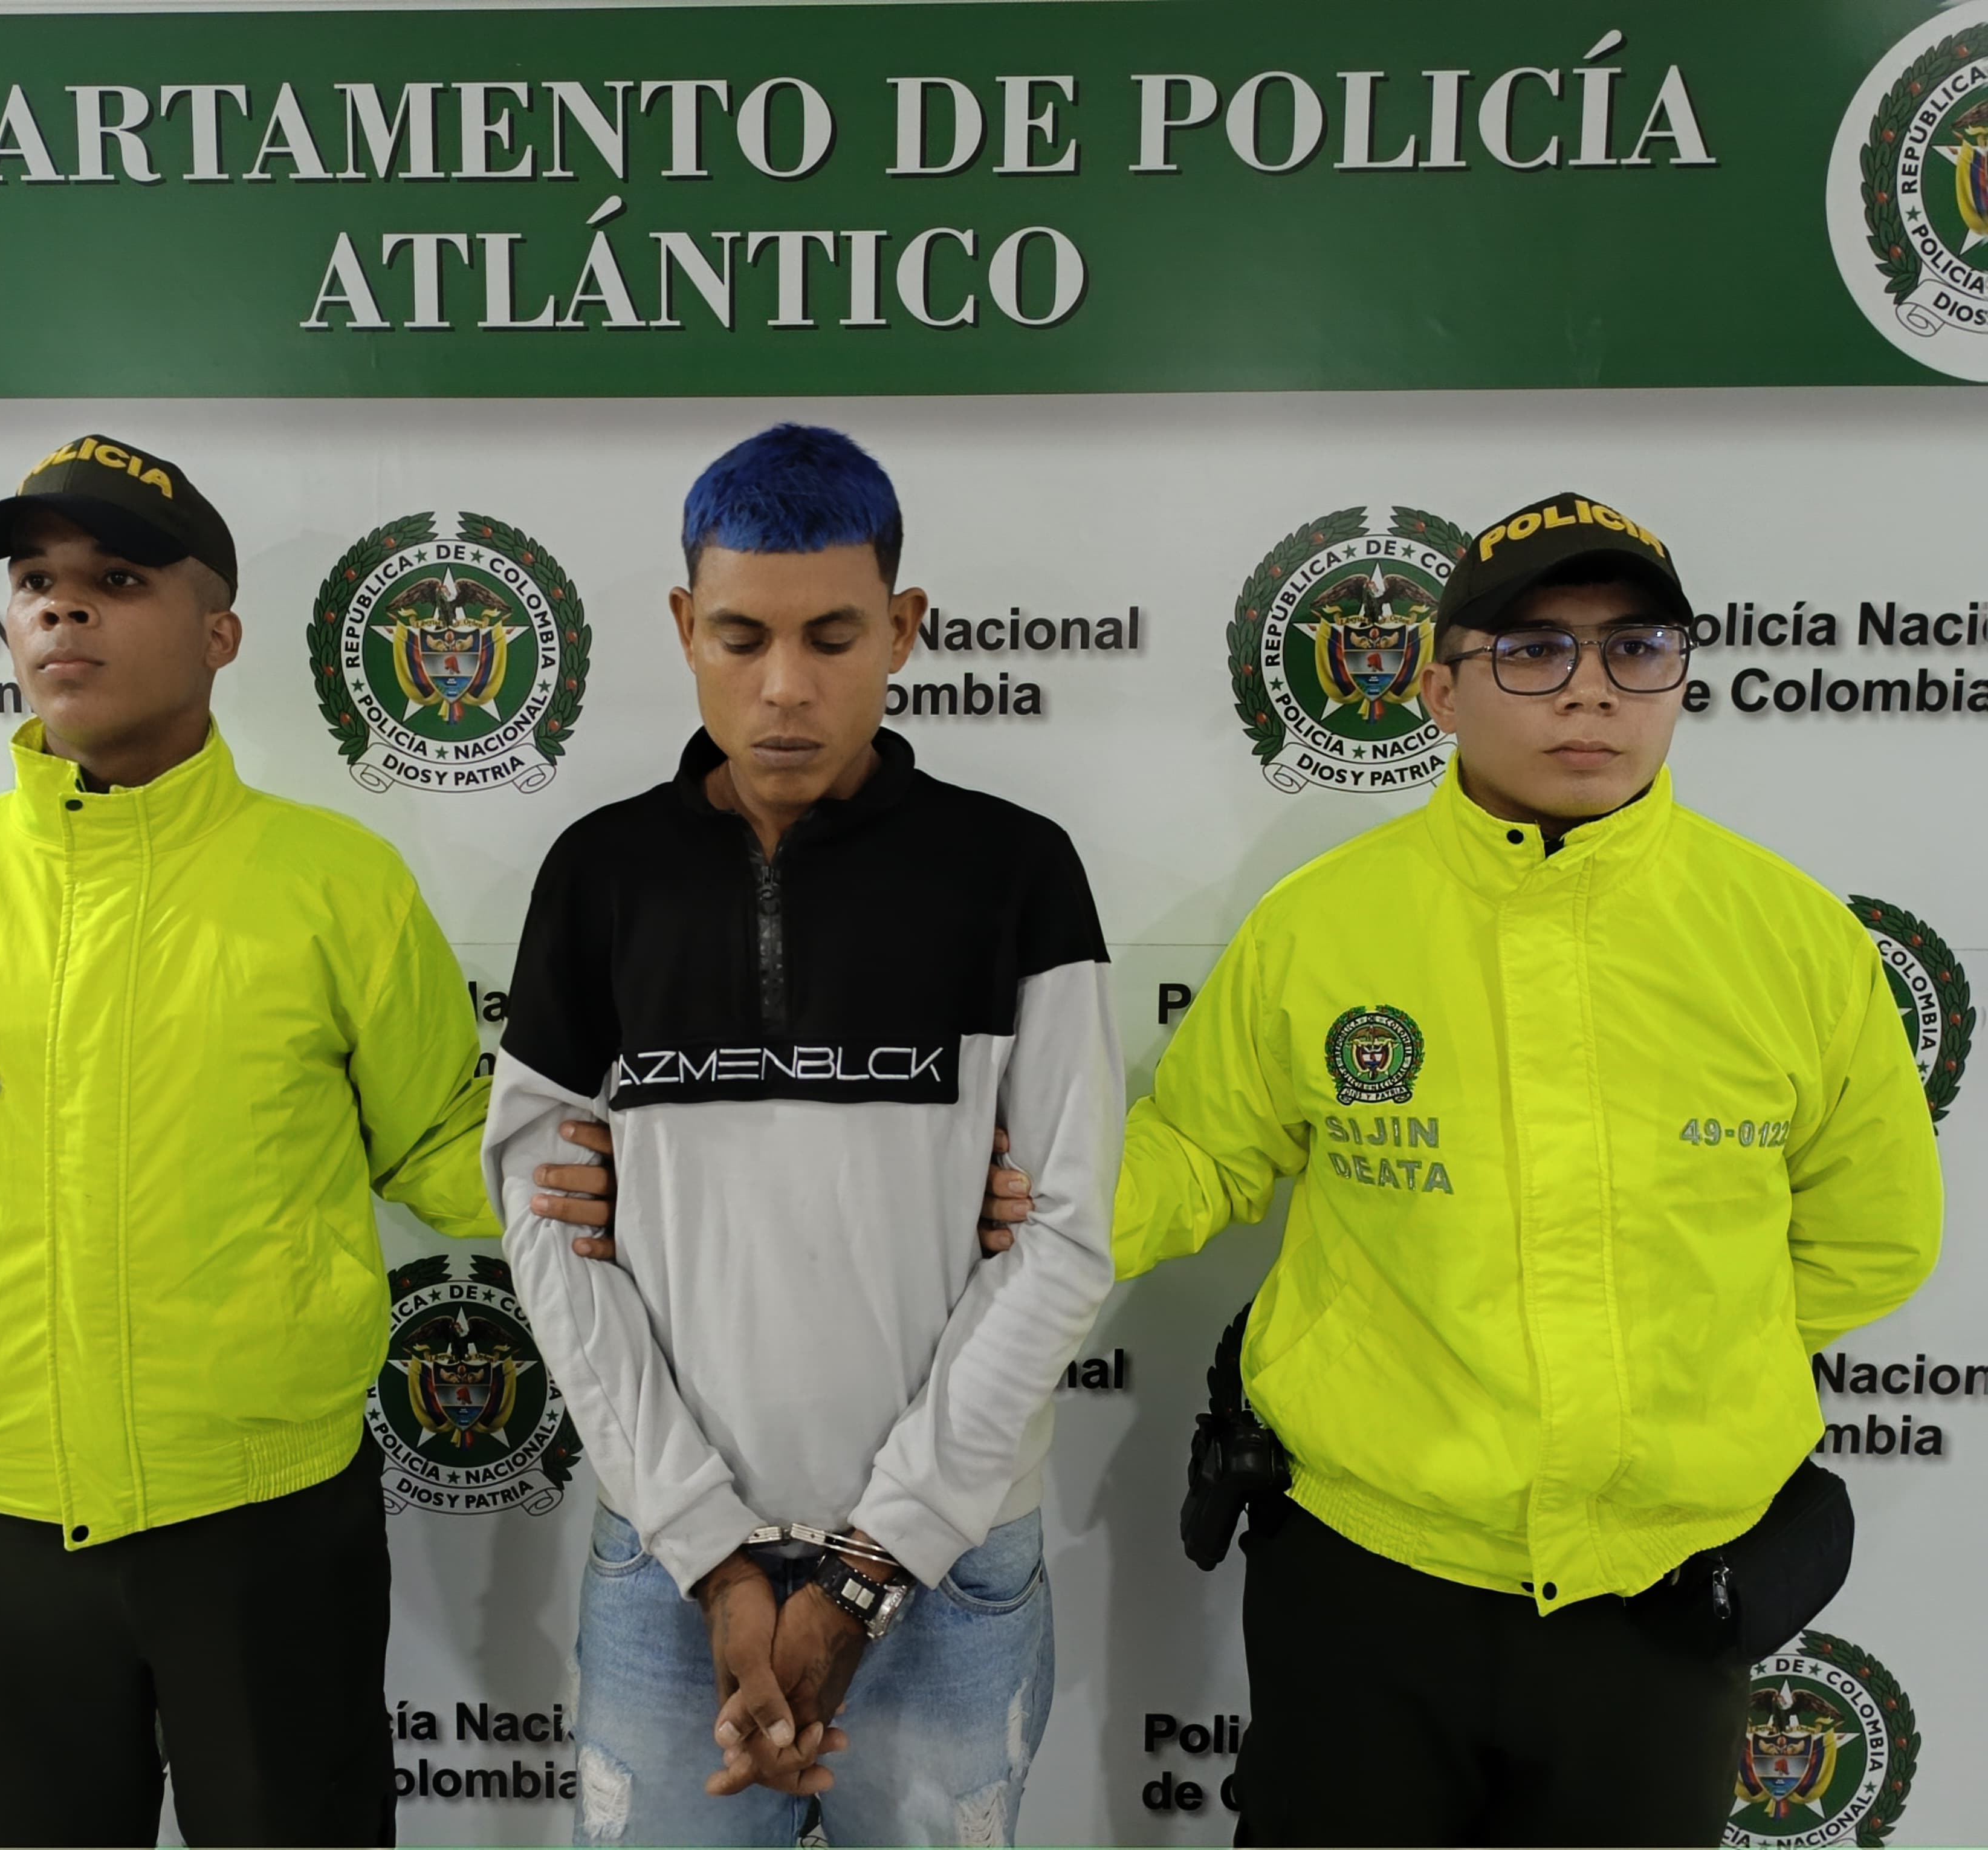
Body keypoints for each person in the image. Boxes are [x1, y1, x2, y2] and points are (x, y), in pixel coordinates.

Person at [1106, 490, 1943, 1846]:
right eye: (1535, 650)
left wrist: (1679, 1372)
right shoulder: (1321, 926)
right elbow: (1201, 1151)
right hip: (1365, 1570)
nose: (1591, 691)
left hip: (1661, 1589)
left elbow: (1873, 1237)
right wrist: (1014, 1219)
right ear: (1438, 690)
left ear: (1680, 679)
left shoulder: (1794, 941)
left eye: (1635, 650)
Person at [0, 434, 614, 1846]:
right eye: (36, 581)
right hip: (1, 1519)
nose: (64, 608)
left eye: (119, 579)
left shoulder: (335, 887)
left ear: (219, 632)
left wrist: (651, 1188)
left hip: (264, 1522)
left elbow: (443, 1142)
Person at [483, 424, 1122, 1847]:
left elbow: (1066, 1237)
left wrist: (872, 1567)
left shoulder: (1017, 872)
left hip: (948, 1567)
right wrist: (714, 1557)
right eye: (741, 637)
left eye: (833, 637)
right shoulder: (600, 876)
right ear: (682, 627)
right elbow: (548, 1232)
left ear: (904, 628)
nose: (785, 686)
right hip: (669, 1569)